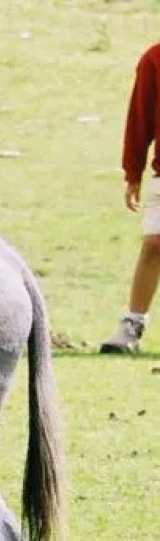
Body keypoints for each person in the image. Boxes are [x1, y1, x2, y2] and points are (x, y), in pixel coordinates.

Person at [102, 42, 160, 354]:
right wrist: (133, 170)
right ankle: (132, 325)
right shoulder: (155, 58)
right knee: (154, 244)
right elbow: (140, 117)